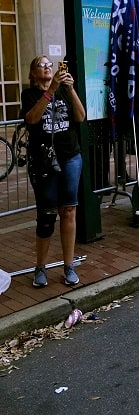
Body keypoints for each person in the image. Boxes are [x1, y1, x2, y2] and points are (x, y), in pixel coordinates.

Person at [21, 55, 86, 288]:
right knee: (47, 215)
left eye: (50, 64)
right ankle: (40, 266)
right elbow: (31, 119)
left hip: (70, 157)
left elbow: (80, 117)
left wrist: (70, 89)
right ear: (33, 73)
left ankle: (68, 265)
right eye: (42, 64)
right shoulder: (29, 94)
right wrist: (51, 90)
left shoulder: (64, 90)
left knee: (69, 210)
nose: (48, 67)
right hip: (44, 161)